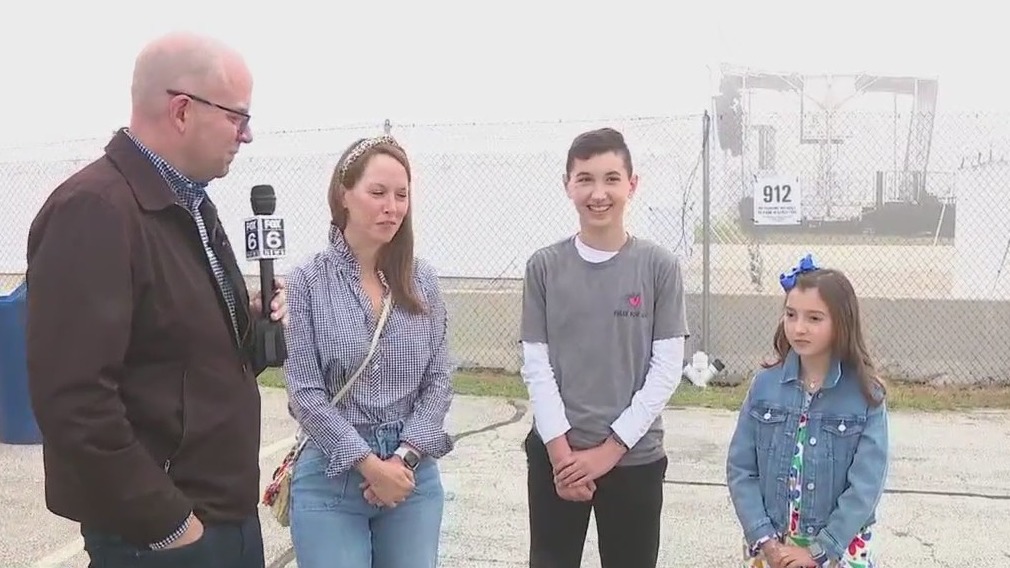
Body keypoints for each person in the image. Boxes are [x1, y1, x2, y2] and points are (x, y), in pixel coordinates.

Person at [25, 31, 287, 568]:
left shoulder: (191, 205)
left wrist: (242, 321)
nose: (248, 135)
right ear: (183, 111)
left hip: (226, 518)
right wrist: (168, 525)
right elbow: (74, 402)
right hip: (163, 536)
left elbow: (171, 352)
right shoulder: (94, 210)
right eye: (238, 117)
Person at [518, 127, 690, 568]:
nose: (599, 193)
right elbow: (537, 366)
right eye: (585, 179)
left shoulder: (659, 268)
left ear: (632, 184)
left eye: (611, 178)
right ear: (567, 185)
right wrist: (562, 457)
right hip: (558, 458)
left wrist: (610, 450)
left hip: (634, 460)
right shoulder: (544, 267)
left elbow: (666, 369)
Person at [282, 134, 454, 568]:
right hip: (331, 473)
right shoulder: (306, 282)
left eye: (401, 195)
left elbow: (438, 381)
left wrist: (402, 459)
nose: (391, 207)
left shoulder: (423, 280)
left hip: (411, 472)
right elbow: (305, 393)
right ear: (344, 195)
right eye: (377, 193)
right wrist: (369, 465)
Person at [726, 254, 890, 568]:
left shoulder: (865, 394)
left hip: (837, 548)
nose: (799, 328)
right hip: (774, 546)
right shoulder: (764, 386)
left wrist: (819, 550)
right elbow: (741, 469)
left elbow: (866, 485)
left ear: (841, 323)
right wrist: (766, 540)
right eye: (791, 315)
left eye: (814, 318)